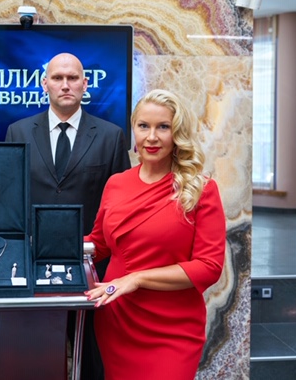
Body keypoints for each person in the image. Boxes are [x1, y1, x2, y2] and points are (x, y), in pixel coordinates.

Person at [85, 89, 226, 380]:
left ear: (177, 134)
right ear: (133, 130)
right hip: (118, 319)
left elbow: (209, 267)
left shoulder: (201, 189)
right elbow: (98, 245)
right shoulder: (116, 184)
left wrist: (137, 278)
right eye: (143, 126)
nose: (151, 137)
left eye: (163, 127)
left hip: (174, 327)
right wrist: (45, 246)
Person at [5, 52, 130, 379]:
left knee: (91, 360)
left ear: (85, 84)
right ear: (44, 83)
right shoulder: (18, 132)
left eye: (72, 78)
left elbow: (122, 207)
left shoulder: (110, 136)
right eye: (57, 78)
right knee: (36, 359)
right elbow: (10, 200)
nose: (65, 85)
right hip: (33, 264)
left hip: (92, 268)